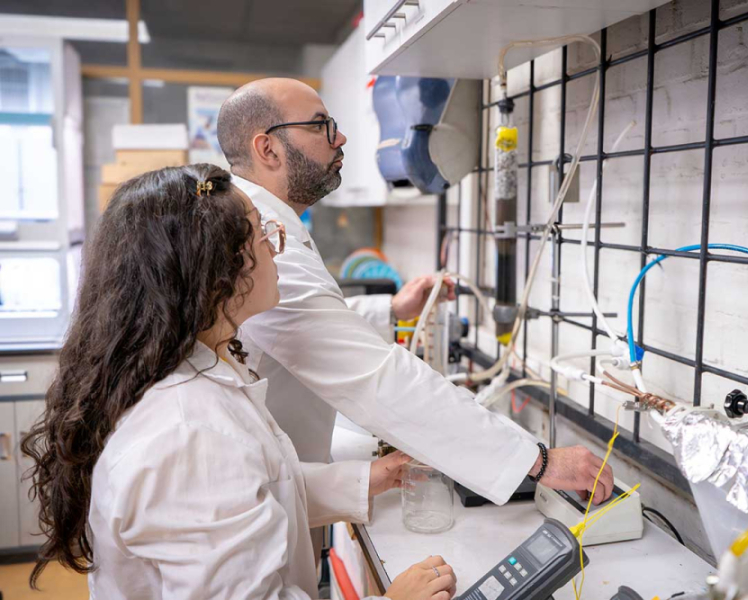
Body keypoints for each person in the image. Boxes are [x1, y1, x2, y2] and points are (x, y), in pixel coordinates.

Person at [20, 164, 457, 600]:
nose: (276, 245)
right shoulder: (189, 432)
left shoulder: (198, 367)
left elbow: (256, 490)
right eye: (261, 231)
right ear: (214, 269)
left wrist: (369, 478)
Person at [216, 78, 615, 509]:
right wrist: (536, 460)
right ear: (268, 149)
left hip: (279, 479)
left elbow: (299, 321)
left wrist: (391, 309)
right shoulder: (262, 239)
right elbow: (377, 378)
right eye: (320, 126)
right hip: (254, 501)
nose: (340, 138)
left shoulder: (264, 223)